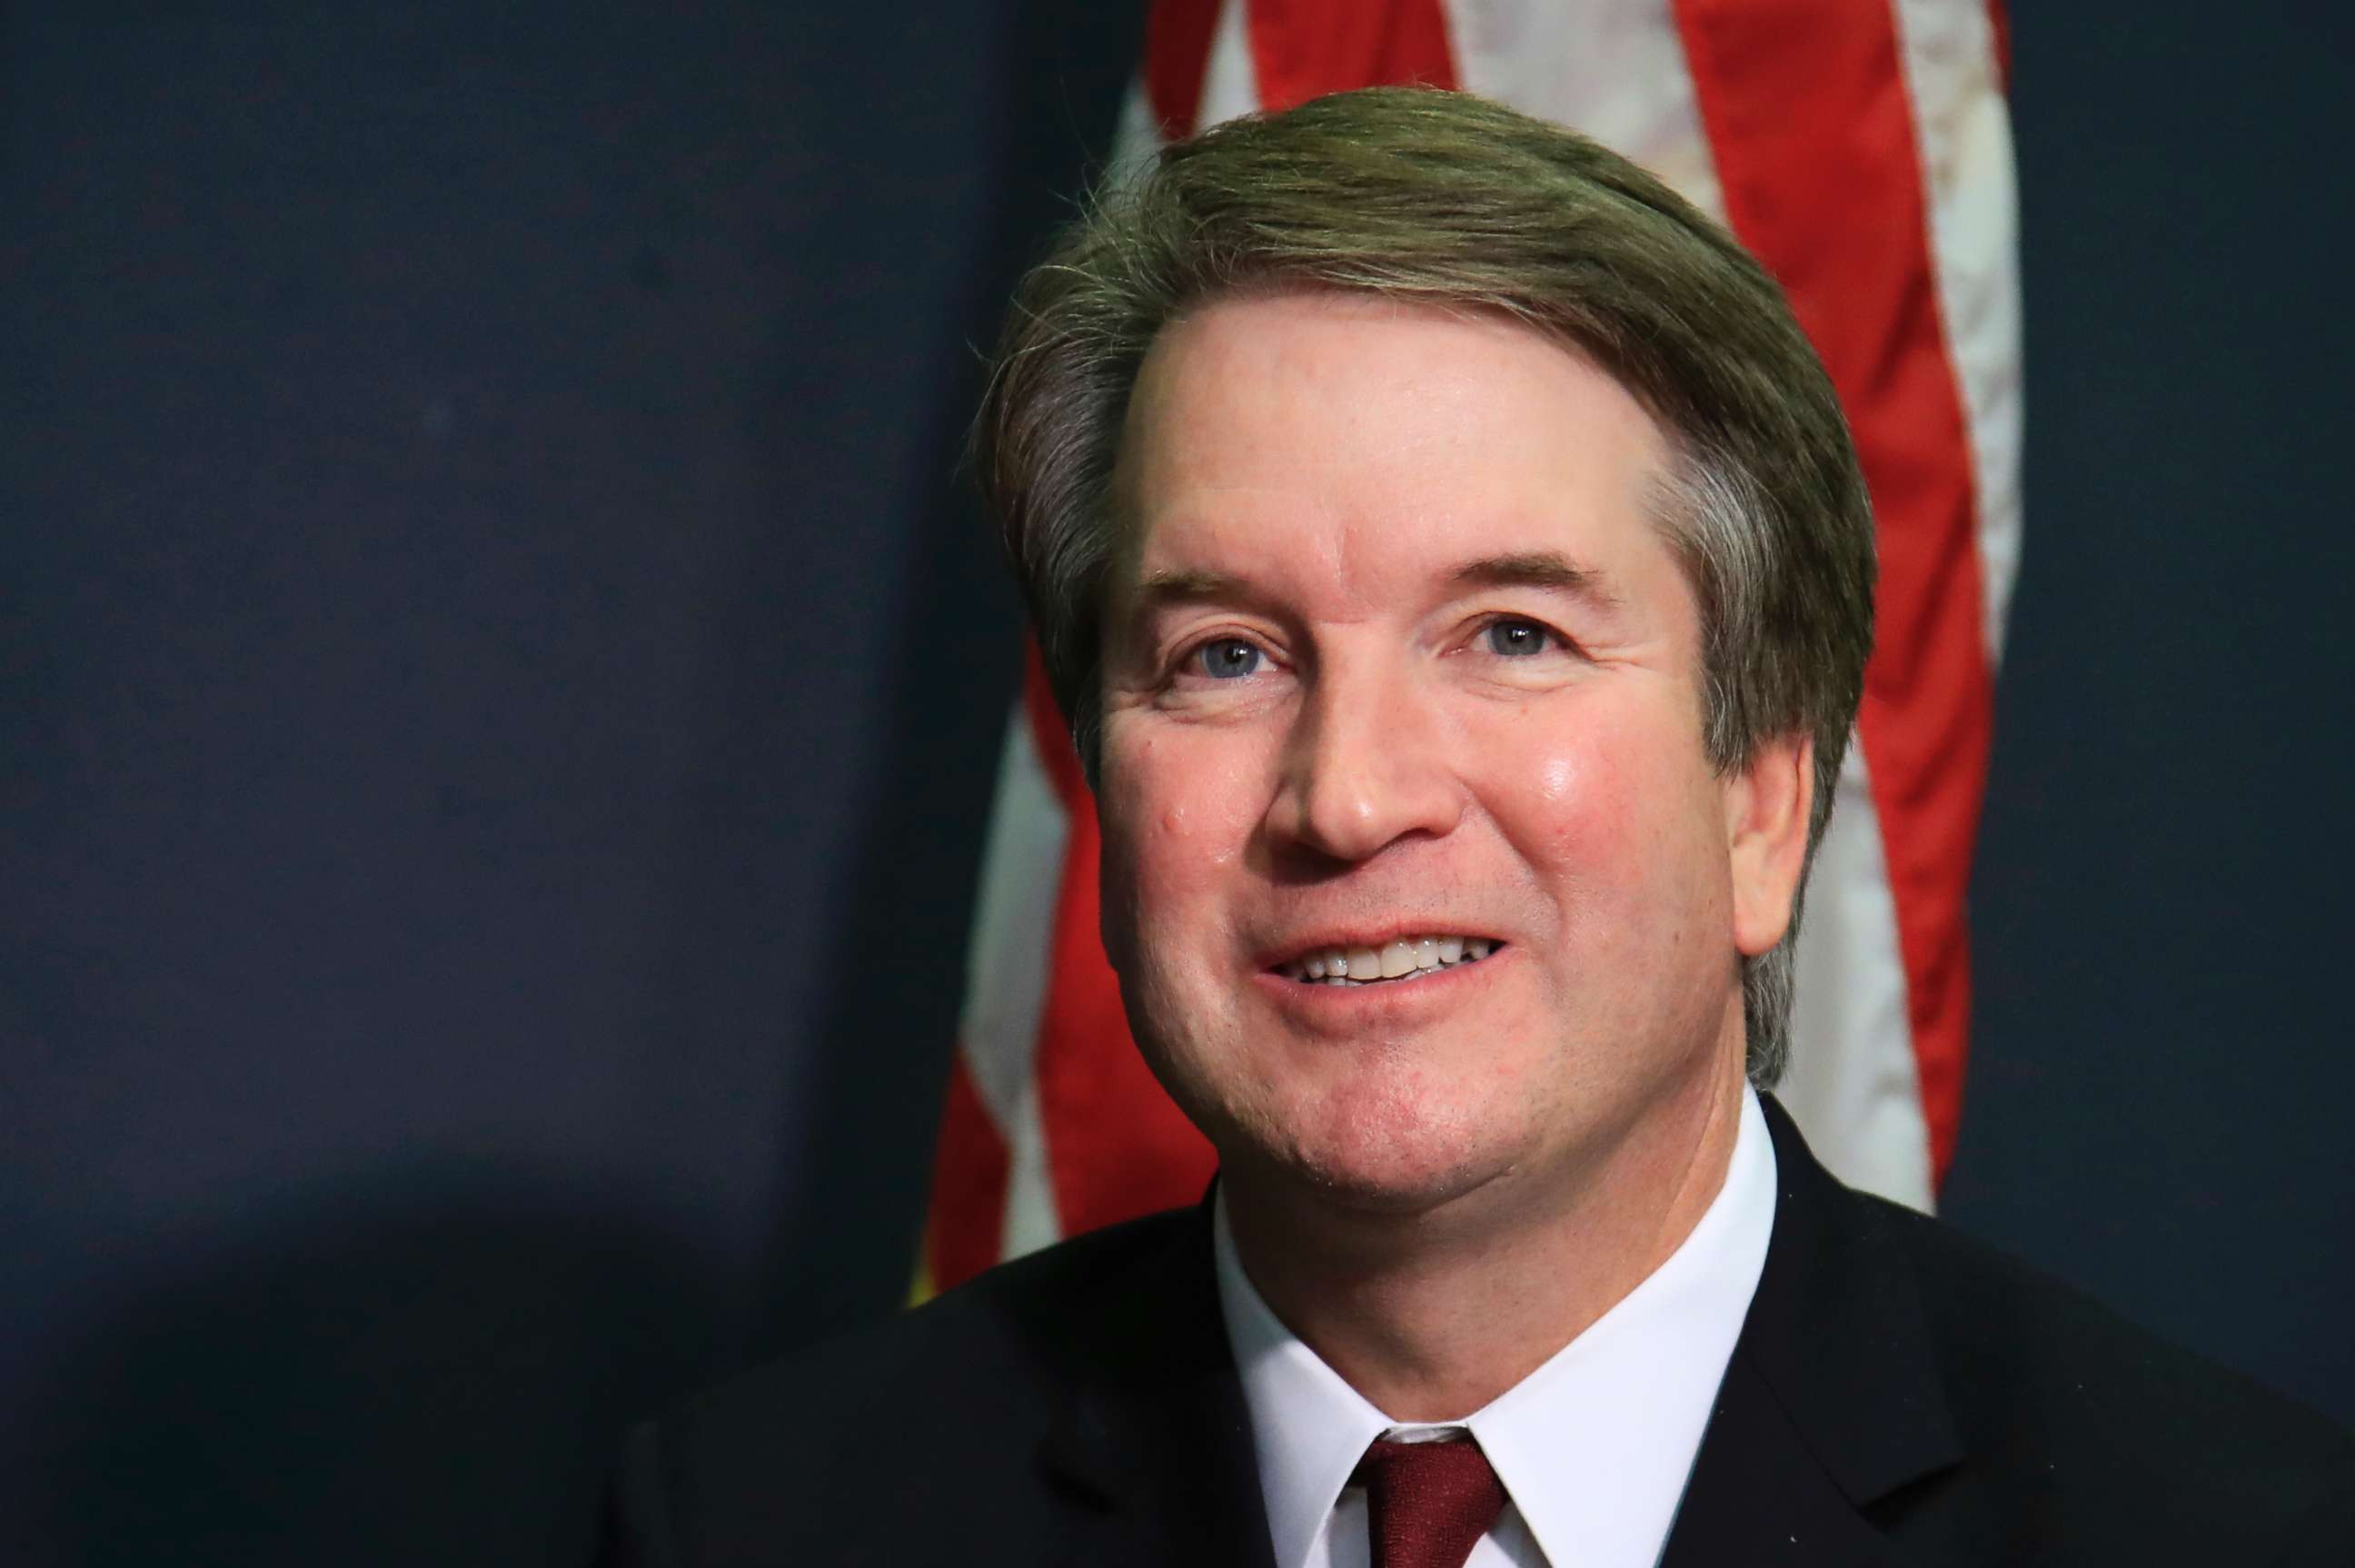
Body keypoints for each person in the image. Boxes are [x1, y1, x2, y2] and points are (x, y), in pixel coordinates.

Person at [595, 87, 2354, 1567]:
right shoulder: (757, 1523)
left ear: (1765, 796)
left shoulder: (2225, 1530)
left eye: (1511, 633)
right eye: (1225, 653)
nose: (1350, 794)